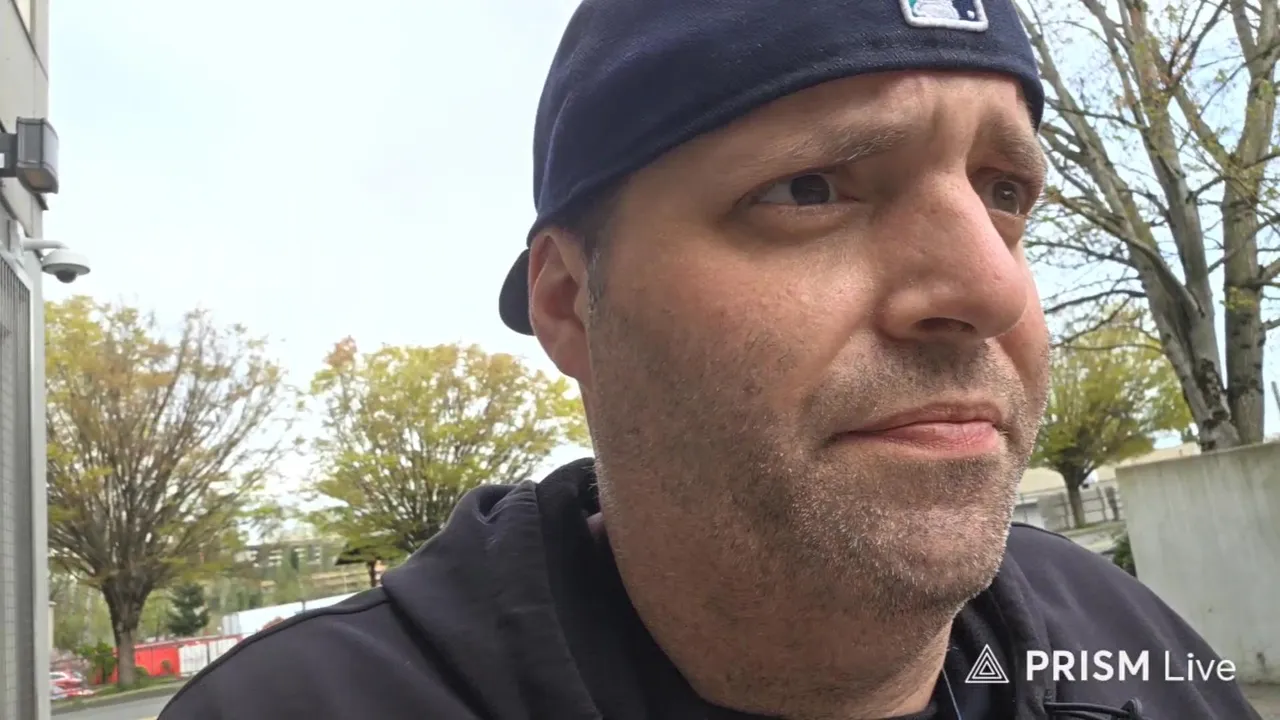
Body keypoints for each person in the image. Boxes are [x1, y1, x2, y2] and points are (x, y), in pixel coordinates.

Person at [159, 0, 1263, 718]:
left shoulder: (1128, 652)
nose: (993, 288)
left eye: (1004, 193)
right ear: (568, 304)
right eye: (809, 189)